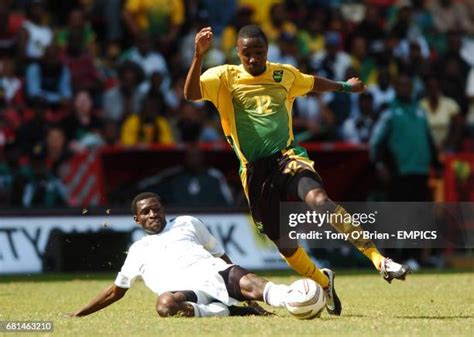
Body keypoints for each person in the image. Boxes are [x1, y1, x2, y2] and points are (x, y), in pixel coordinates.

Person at [184, 25, 411, 316]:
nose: (253, 59)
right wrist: (198, 56)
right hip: (254, 173)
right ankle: (322, 281)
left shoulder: (283, 74)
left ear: (267, 51)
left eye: (259, 53)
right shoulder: (224, 77)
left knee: (320, 201)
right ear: (237, 53)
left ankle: (379, 259)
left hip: (288, 157)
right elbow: (191, 94)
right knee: (285, 244)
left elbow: (313, 82)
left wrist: (344, 86)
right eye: (247, 54)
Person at [70, 192, 294, 318]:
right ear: (137, 219)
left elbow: (220, 254)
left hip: (216, 274)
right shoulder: (138, 250)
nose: (153, 214)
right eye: (145, 212)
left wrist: (238, 281)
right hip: (189, 293)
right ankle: (229, 311)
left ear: (163, 209)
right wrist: (80, 313)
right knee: (165, 305)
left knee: (253, 283)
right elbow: (115, 292)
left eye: (156, 208)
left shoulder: (187, 222)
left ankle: (294, 299)